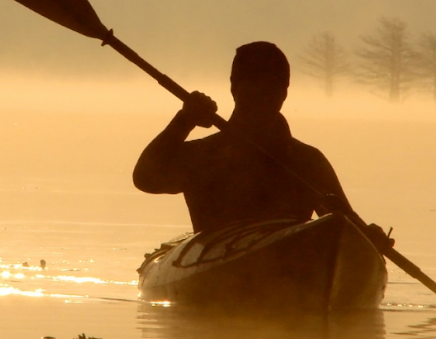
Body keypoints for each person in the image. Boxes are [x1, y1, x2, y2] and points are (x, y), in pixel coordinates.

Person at [133, 41, 354, 233]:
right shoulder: (203, 156)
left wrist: (367, 238)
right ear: (235, 87)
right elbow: (145, 179)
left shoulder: (308, 161)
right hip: (217, 262)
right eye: (255, 85)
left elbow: (343, 223)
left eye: (272, 87)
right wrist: (184, 120)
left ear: (285, 92)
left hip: (293, 263)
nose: (263, 95)